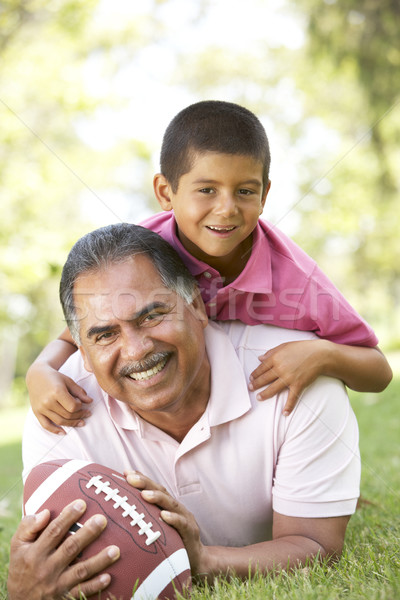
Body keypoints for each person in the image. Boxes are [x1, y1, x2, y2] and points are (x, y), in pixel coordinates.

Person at [9, 223, 361, 598]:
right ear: (82, 352)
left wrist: (203, 562)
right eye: (105, 334)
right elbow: (58, 562)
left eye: (151, 316)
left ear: (195, 305)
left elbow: (316, 546)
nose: (136, 350)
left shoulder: (295, 376)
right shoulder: (58, 411)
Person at [26, 100, 392, 435]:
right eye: (207, 190)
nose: (227, 209)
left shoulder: (296, 278)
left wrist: (322, 354)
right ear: (166, 193)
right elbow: (82, 332)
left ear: (265, 195)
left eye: (245, 191)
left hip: (255, 412)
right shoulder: (140, 255)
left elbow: (378, 371)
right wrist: (40, 370)